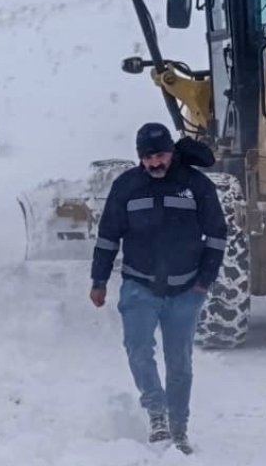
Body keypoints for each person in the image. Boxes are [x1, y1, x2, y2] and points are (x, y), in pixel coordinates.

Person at [89, 123, 228, 454]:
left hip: (185, 290)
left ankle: (178, 429)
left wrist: (203, 282)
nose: (155, 164)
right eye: (147, 158)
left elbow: (218, 235)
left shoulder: (196, 185)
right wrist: (99, 280)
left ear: (172, 152)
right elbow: (108, 236)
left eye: (161, 155)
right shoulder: (126, 187)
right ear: (139, 158)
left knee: (179, 362)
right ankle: (156, 412)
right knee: (138, 350)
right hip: (140, 286)